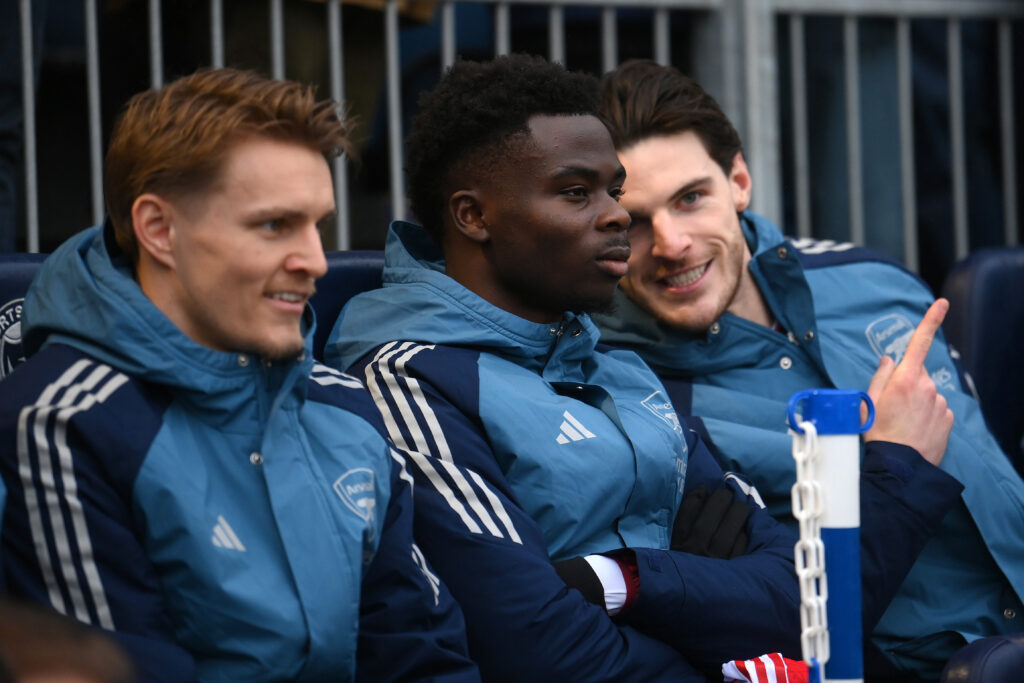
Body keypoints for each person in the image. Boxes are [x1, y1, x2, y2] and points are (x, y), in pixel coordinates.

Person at [325, 53, 946, 681]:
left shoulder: (618, 369)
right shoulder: (408, 380)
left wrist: (623, 581)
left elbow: (801, 605)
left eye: (612, 190)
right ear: (474, 216)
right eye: (576, 192)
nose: (619, 215)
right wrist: (713, 623)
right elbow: (536, 650)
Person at [0, 67, 478, 682]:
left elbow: (422, 657)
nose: (313, 262)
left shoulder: (345, 407)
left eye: (318, 226)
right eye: (274, 225)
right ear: (158, 229)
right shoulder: (63, 421)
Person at [593, 59, 1024, 681]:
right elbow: (777, 620)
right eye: (633, 222)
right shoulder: (637, 409)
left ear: (738, 180)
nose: (670, 243)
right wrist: (896, 459)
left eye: (691, 199)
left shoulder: (873, 280)